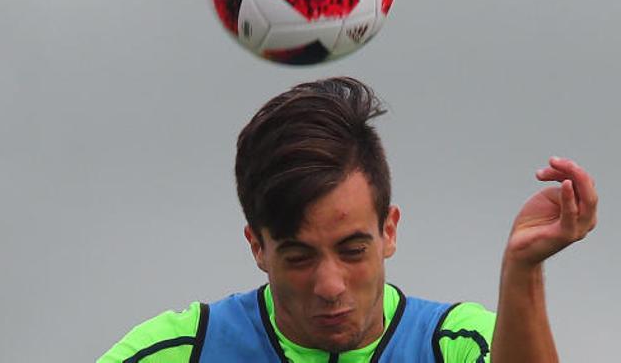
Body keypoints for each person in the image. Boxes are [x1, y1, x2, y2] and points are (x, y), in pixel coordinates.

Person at [99, 77, 598, 362]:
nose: (330, 284)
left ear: (389, 230)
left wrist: (523, 269)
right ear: (257, 246)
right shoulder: (184, 351)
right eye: (298, 257)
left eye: (353, 250)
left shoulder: (453, 346)